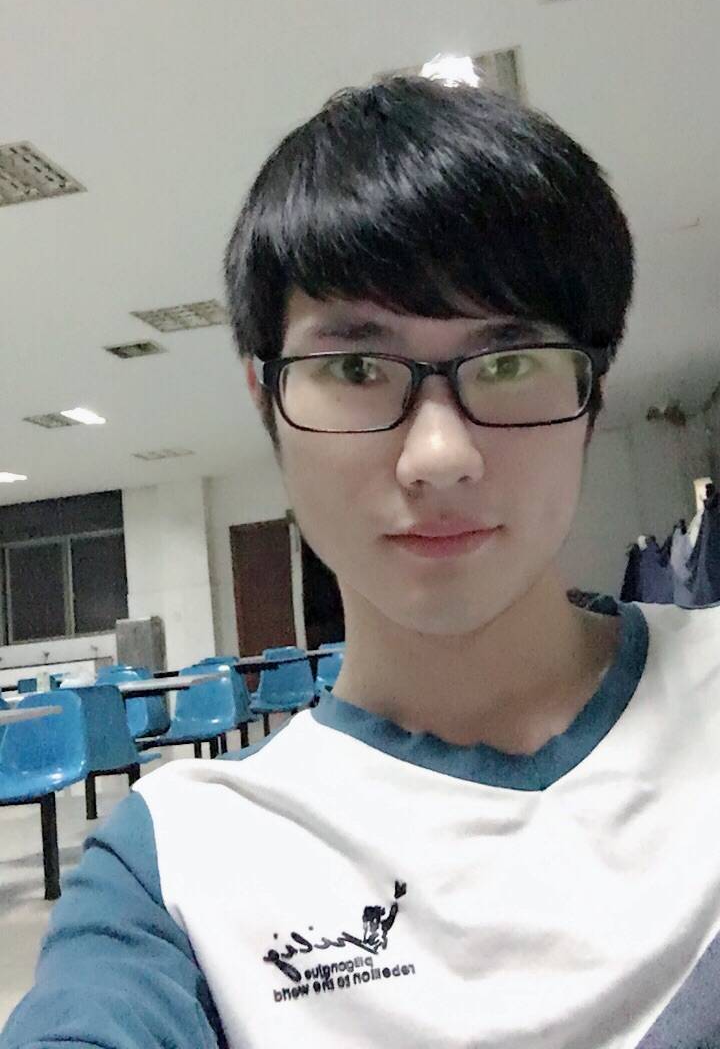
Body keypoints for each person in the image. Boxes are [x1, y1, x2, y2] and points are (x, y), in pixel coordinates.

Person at [4, 73, 719, 1049]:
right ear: (264, 397)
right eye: (355, 367)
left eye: (508, 361)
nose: (440, 455)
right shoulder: (179, 865)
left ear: (593, 388)